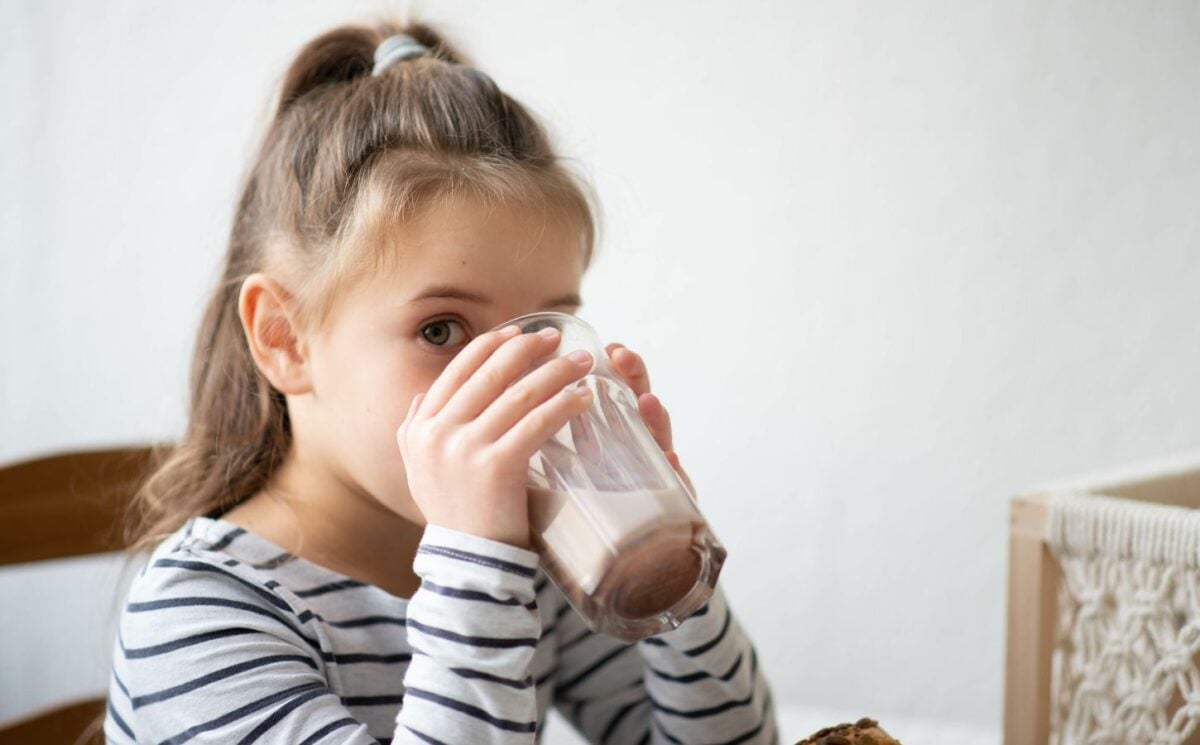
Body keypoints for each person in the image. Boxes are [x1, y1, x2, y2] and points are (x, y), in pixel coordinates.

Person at [104, 17, 777, 745]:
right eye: (441, 330)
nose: (514, 384)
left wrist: (669, 567)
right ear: (284, 338)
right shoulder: (201, 614)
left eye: (543, 332)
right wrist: (477, 561)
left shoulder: (533, 556)